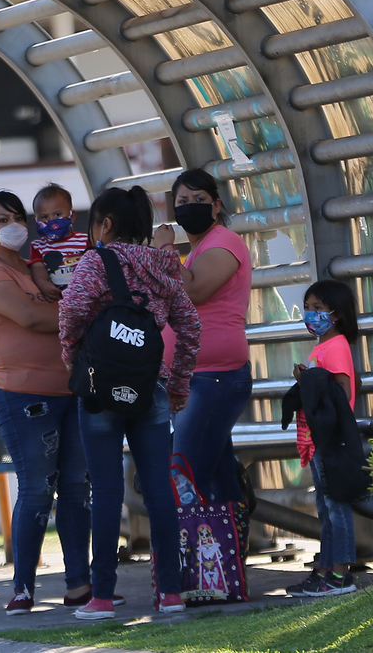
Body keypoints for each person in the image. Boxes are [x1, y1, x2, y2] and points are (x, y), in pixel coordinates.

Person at [58, 186, 201, 620]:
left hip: (100, 392)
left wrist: (76, 363)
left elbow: (70, 315)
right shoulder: (163, 268)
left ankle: (101, 597)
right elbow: (190, 327)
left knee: (105, 492)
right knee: (158, 489)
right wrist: (177, 385)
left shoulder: (95, 262)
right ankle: (171, 594)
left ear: (104, 225)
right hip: (151, 391)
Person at [0, 190, 93, 616]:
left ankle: (80, 586)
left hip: (73, 391)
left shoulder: (41, 264)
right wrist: (88, 310)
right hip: (24, 397)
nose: (12, 225)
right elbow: (34, 318)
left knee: (76, 488)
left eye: (18, 217)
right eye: (2, 220)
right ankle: (22, 589)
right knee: (38, 490)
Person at [154, 168, 253, 505]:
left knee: (185, 473)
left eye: (199, 200)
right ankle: (226, 554)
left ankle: (194, 552)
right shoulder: (196, 251)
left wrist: (166, 247)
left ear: (216, 205)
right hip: (192, 379)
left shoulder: (225, 241)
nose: (190, 206)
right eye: (182, 201)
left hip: (214, 378)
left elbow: (193, 289)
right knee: (218, 476)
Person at [285, 279, 361, 598]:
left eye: (318, 308)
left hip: (331, 439)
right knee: (325, 505)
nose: (311, 314)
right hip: (319, 439)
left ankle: (341, 574)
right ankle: (327, 569)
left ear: (337, 314)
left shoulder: (337, 346)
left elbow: (341, 393)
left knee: (336, 505)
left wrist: (310, 382)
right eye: (308, 308)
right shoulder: (321, 347)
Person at [29, 183, 91, 301]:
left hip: (87, 295)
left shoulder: (85, 240)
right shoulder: (38, 246)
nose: (52, 221)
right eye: (44, 217)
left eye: (57, 215)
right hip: (59, 299)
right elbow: (38, 268)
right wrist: (42, 283)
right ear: (36, 221)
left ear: (72, 216)